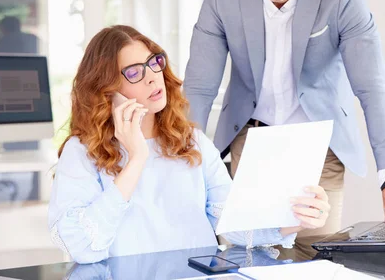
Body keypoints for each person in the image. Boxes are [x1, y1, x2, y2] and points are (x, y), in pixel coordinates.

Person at [184, 0, 385, 247]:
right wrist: (185, 165)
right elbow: (200, 88)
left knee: (313, 255)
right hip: (251, 140)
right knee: (249, 252)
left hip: (320, 148)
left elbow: (372, 88)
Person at [48, 25, 331, 264]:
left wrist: (296, 218)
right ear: (106, 90)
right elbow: (81, 246)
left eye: (153, 63)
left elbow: (235, 224)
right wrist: (136, 159)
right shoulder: (81, 151)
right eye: (134, 72)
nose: (151, 76)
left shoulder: (191, 141)